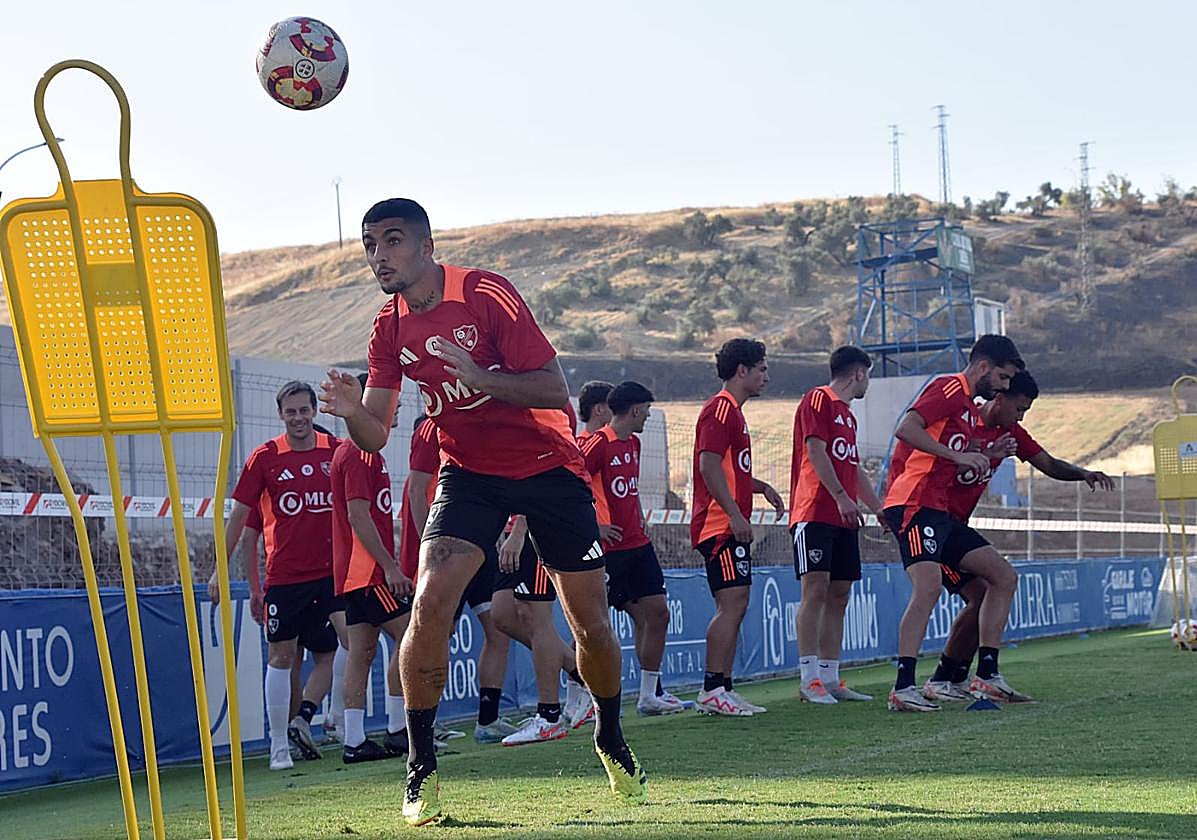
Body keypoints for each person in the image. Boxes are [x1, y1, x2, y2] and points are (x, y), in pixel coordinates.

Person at [319, 198, 645, 825]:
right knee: (429, 601)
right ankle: (420, 768)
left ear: (426, 245)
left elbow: (552, 388)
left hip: (548, 468)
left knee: (589, 624)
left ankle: (609, 733)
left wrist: (479, 376)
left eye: (392, 241)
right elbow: (375, 434)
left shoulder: (484, 293)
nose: (379, 256)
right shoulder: (387, 326)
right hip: (468, 474)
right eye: (369, 245)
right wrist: (352, 410)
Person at [920, 370, 1115, 703]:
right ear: (999, 398)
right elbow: (939, 469)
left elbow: (1048, 464)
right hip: (933, 524)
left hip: (955, 528)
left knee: (984, 595)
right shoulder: (964, 423)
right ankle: (982, 675)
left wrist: (1083, 473)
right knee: (1000, 580)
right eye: (1019, 408)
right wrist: (990, 453)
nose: (1021, 417)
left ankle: (948, 679)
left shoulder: (1010, 431)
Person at [882, 334, 1024, 712]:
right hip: (915, 503)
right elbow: (907, 428)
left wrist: (985, 452)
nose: (1003, 387)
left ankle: (987, 674)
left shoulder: (967, 409)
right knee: (927, 588)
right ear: (983, 367)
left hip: (940, 511)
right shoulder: (949, 388)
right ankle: (903, 687)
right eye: (1002, 377)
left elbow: (953, 451)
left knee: (1003, 577)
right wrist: (958, 456)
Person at [209, 381, 346, 770]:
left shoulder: (337, 451)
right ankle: (279, 746)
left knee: (352, 643)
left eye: (304, 410)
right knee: (283, 656)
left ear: (315, 411)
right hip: (287, 579)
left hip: (333, 575)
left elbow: (358, 508)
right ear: (280, 415)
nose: (298, 418)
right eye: (291, 412)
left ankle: (335, 721)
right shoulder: (264, 458)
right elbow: (240, 522)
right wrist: (220, 569)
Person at [401, 412, 515, 745]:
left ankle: (488, 720)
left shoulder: (481, 424)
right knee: (432, 632)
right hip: (446, 549)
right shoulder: (430, 428)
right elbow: (416, 491)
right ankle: (423, 725)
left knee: (498, 629)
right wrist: (430, 549)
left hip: (481, 547)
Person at [690, 339, 785, 716]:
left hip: (726, 521)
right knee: (731, 604)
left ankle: (723, 687)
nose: (767, 376)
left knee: (737, 603)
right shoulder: (720, 409)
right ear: (741, 370)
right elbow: (708, 465)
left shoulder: (733, 412)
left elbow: (728, 469)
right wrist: (733, 514)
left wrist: (758, 487)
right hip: (718, 525)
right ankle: (712, 688)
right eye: (761, 368)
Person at [789, 346, 888, 705]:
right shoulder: (819, 399)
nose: (868, 383)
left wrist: (877, 508)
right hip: (814, 511)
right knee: (815, 590)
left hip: (844, 517)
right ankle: (808, 679)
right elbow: (815, 451)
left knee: (840, 593)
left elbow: (853, 467)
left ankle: (830, 677)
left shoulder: (848, 416)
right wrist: (841, 497)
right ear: (858, 373)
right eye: (868, 376)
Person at [581, 380, 684, 715]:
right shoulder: (598, 444)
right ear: (636, 410)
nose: (649, 416)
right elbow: (572, 486)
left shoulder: (634, 444)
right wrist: (594, 526)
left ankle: (649, 695)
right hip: (609, 550)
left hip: (638, 545)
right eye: (647, 410)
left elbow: (629, 490)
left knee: (658, 613)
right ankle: (575, 699)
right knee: (592, 624)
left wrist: (638, 517)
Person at [330, 374, 415, 762]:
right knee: (410, 634)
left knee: (361, 652)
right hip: (367, 572)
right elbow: (358, 516)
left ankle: (354, 740)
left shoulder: (364, 453)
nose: (394, 409)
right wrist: (390, 567)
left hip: (356, 572)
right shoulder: (359, 453)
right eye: (390, 401)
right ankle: (398, 728)